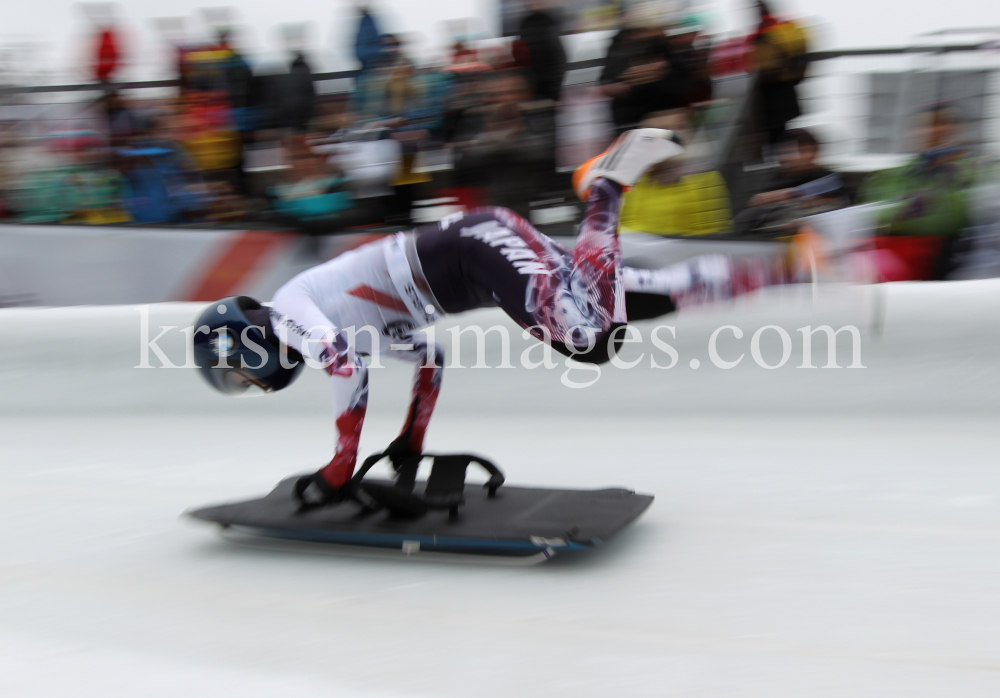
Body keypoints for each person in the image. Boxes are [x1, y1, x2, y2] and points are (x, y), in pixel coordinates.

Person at [193, 129, 815, 508]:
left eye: (235, 374)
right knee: (645, 297)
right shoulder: (335, 316)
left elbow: (343, 364)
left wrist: (339, 465)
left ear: (244, 345)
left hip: (477, 249)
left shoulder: (291, 309)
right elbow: (429, 359)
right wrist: (412, 437)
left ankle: (604, 184)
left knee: (592, 338)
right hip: (485, 258)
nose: (246, 383)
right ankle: (798, 269)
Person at [733, 128, 845, 237]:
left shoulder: (829, 180)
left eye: (802, 151)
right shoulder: (773, 180)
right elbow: (751, 212)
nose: (788, 158)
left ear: (815, 152)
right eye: (785, 152)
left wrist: (786, 195)